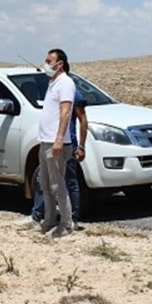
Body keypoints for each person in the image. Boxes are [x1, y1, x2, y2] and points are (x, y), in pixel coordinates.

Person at [32, 81, 88, 226]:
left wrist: (81, 146)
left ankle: (71, 220)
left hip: (66, 143)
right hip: (49, 141)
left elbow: (82, 119)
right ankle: (40, 216)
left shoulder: (71, 91)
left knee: (67, 182)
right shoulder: (52, 89)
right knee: (44, 181)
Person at [38, 48, 76, 236]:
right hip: (45, 141)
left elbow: (65, 112)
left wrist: (59, 139)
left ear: (59, 64)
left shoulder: (65, 83)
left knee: (57, 185)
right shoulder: (52, 83)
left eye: (49, 61)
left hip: (55, 142)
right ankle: (49, 219)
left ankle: (67, 223)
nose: (46, 64)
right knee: (45, 184)